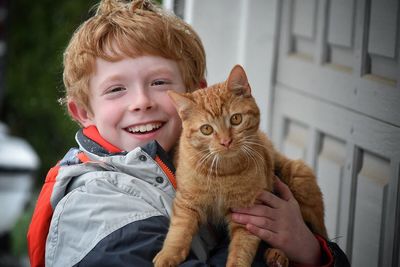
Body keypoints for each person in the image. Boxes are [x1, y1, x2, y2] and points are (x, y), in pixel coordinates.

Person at [27, 0, 350, 266]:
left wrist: (310, 249)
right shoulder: (97, 207)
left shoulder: (190, 158)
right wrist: (269, 250)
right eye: (116, 89)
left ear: (194, 99)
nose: (141, 102)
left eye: (159, 83)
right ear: (83, 113)